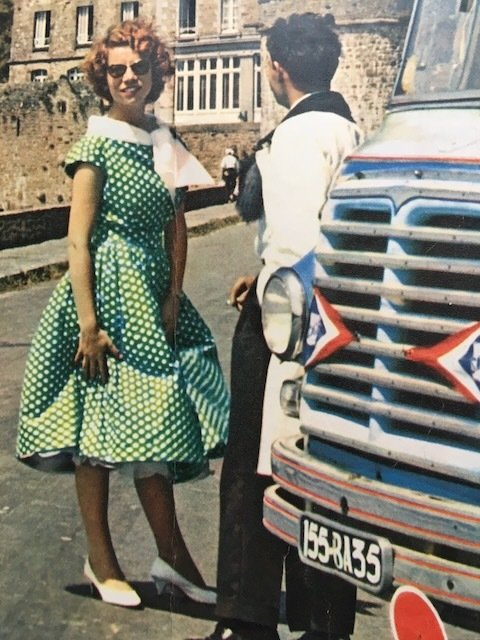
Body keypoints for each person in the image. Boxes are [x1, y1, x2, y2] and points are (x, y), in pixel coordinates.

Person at [16, 19, 229, 609]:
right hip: (106, 300)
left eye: (138, 67)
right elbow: (78, 240)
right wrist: (88, 322)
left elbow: (176, 226)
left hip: (153, 302)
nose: (129, 78)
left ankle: (173, 558)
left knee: (155, 420)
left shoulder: (165, 140)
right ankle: (102, 558)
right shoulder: (96, 143)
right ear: (102, 79)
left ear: (156, 71)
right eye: (117, 70)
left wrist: (172, 297)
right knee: (97, 430)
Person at [190, 13, 362, 640]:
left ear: (279, 70)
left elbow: (294, 246)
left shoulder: (292, 140)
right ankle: (325, 616)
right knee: (324, 475)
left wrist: (269, 285)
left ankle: (245, 615)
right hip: (343, 328)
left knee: (253, 468)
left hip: (288, 331)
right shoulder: (350, 131)